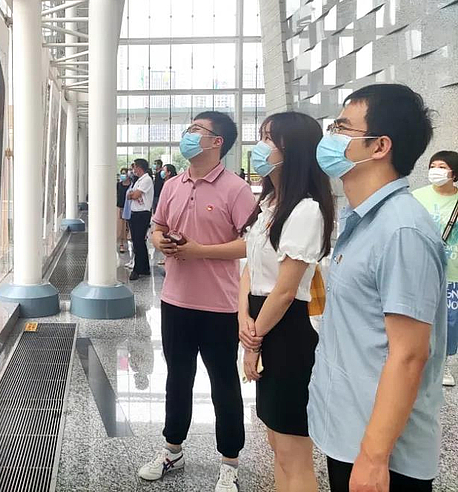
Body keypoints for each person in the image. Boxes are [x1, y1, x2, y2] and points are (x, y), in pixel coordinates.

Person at [308, 84, 445, 492]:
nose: (331, 137)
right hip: (351, 433)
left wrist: (373, 456)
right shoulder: (366, 219)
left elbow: (409, 354)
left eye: (342, 128)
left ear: (380, 146)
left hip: (383, 455)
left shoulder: (402, 230)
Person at [138, 111, 255, 492]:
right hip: (175, 300)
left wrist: (200, 251)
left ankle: (230, 461)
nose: (187, 135)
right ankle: (172, 449)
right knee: (177, 378)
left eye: (196, 130)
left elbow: (251, 244)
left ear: (217, 142)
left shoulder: (236, 189)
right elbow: (158, 227)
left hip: (220, 305)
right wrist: (160, 241)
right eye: (188, 129)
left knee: (224, 383)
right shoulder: (173, 185)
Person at [239, 112, 334, 492]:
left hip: (288, 331)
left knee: (294, 451)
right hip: (261, 321)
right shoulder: (269, 203)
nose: (260, 147)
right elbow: (250, 268)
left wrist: (253, 341)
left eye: (270, 139)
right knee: (276, 443)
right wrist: (243, 318)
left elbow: (284, 290)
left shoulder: (307, 209)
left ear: (293, 149)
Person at [413, 150, 458, 386]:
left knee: (450, 321)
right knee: (419, 315)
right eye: (433, 166)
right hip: (422, 268)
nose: (435, 171)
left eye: (442, 167)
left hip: (453, 271)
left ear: (454, 173)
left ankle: (443, 363)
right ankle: (417, 359)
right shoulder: (417, 196)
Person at [127, 158, 154, 281]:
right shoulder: (139, 180)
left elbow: (135, 195)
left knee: (138, 242)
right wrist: (131, 195)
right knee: (137, 242)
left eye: (134, 167)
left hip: (142, 214)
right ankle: (144, 268)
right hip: (135, 213)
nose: (133, 170)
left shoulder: (146, 180)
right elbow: (129, 195)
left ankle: (137, 269)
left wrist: (132, 195)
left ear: (139, 167)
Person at [117, 168, 130, 254]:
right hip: (121, 207)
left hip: (129, 208)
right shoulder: (118, 185)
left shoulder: (132, 185)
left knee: (128, 226)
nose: (123, 175)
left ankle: (128, 239)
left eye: (124, 173)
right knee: (121, 226)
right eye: (122, 173)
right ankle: (121, 243)